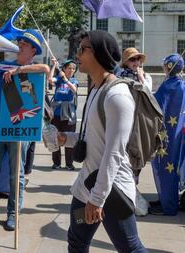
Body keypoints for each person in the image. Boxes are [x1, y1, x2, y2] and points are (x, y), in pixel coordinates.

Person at [58, 30, 147, 252]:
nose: (77, 54)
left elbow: (114, 153)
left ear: (99, 53)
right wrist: (65, 139)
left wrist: (97, 199)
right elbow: (92, 139)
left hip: (110, 191)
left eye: (82, 49)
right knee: (77, 241)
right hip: (86, 187)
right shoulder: (96, 88)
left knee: (130, 247)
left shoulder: (117, 96)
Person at [0, 29, 50, 231]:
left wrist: (19, 72)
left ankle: (13, 213)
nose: (19, 44)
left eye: (24, 43)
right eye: (19, 42)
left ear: (33, 49)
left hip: (19, 130)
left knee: (17, 174)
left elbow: (46, 69)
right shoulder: (1, 67)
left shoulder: (34, 68)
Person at [150, 53, 185, 216]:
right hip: (179, 135)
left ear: (169, 67)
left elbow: (154, 107)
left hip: (166, 135)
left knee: (163, 167)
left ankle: (168, 206)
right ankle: (166, 200)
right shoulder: (182, 85)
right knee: (174, 167)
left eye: (165, 64)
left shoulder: (167, 86)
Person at [49, 58, 78, 171]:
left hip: (69, 113)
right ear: (64, 69)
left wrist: (65, 79)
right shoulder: (59, 80)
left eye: (73, 68)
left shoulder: (73, 81)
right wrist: (53, 66)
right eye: (69, 68)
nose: (71, 70)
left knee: (69, 138)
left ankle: (69, 163)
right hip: (56, 113)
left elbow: (74, 90)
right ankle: (56, 163)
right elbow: (50, 80)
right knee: (55, 137)